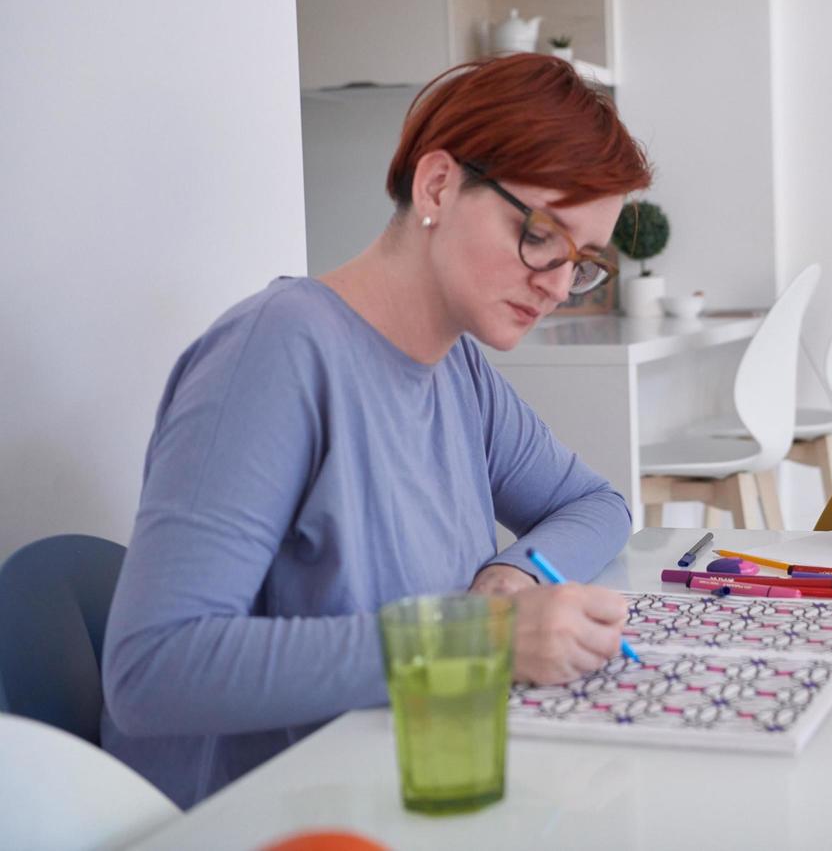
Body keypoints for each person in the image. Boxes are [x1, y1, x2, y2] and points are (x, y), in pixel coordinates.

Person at [101, 54, 653, 808]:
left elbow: (598, 504)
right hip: (271, 815)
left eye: (582, 262)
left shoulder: (459, 372)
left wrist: (514, 578)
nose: (559, 284)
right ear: (437, 186)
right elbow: (153, 670)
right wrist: (480, 639)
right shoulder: (275, 355)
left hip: (396, 785)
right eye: (541, 235)